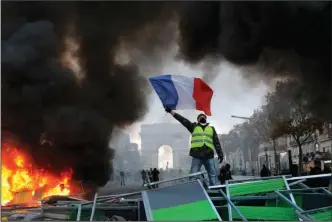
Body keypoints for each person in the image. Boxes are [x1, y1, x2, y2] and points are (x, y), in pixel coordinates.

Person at [165, 109, 223, 186]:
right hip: (197, 155)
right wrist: (171, 112)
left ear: (206, 119)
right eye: (200, 117)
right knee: (193, 175)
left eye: (204, 117)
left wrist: (220, 154)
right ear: (198, 120)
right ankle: (194, 189)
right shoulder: (193, 127)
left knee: (212, 175)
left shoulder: (211, 129)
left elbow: (216, 142)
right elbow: (183, 120)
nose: (202, 118)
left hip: (209, 155)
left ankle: (215, 190)